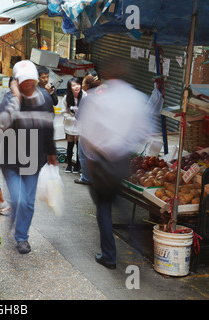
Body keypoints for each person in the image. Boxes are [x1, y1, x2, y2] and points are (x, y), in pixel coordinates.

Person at [77, 57, 152, 269]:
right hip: (122, 161)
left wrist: (91, 159)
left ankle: (109, 256)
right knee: (120, 203)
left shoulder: (98, 98)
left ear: (108, 76)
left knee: (104, 208)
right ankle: (137, 249)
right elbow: (143, 132)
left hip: (101, 163)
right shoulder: (137, 98)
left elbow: (88, 133)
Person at [0, 60, 56, 254]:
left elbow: (48, 127)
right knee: (19, 199)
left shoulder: (45, 98)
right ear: (17, 82)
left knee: (27, 202)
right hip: (11, 160)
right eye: (24, 82)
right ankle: (15, 220)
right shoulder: (9, 99)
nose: (28, 85)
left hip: (34, 159)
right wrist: (16, 98)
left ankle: (21, 237)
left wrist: (51, 152)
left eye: (31, 81)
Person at [74, 71, 103, 186]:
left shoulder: (87, 99)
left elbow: (79, 117)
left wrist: (76, 111)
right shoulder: (100, 96)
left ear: (88, 85)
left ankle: (86, 178)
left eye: (83, 82)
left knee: (84, 155)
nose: (81, 85)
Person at [61, 78, 86, 173]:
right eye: (74, 85)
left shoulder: (84, 95)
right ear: (70, 87)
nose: (77, 87)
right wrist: (72, 118)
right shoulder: (66, 97)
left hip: (81, 123)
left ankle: (77, 166)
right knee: (70, 143)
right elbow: (63, 112)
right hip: (70, 123)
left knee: (79, 144)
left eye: (78, 84)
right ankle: (69, 165)